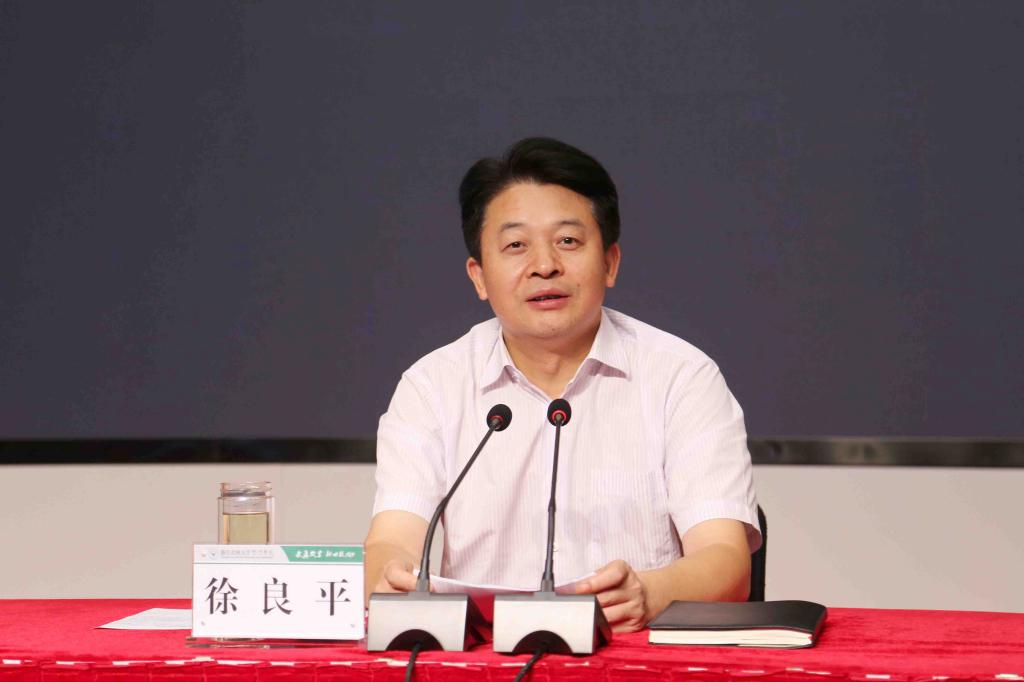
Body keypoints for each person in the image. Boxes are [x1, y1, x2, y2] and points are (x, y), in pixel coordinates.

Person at [364, 137, 761, 633]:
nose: (544, 265)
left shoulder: (681, 377)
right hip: (483, 658)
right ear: (479, 276)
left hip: (633, 654)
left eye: (568, 241)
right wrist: (390, 578)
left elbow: (725, 558)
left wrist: (650, 592)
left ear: (610, 262)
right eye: (515, 246)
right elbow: (393, 538)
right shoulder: (432, 386)